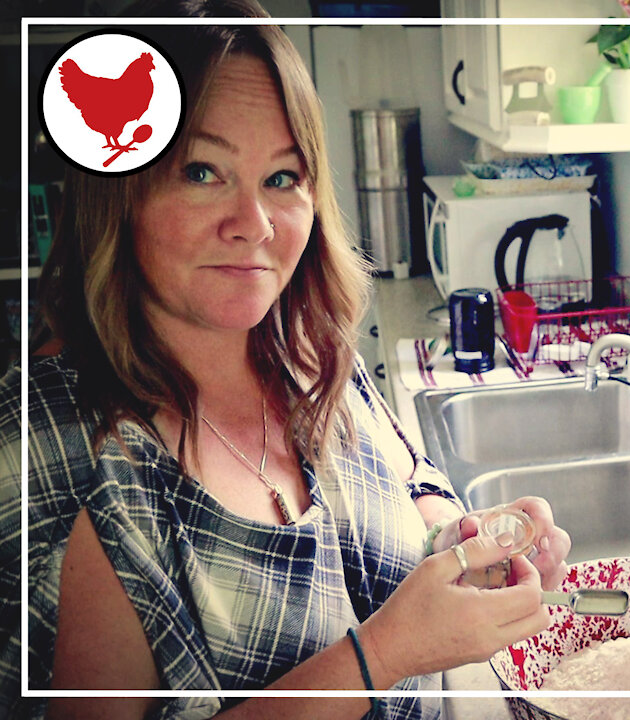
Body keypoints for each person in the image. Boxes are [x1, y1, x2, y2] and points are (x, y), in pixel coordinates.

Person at [0, 1, 571, 717]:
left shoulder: (308, 349)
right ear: (119, 188)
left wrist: (472, 546)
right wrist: (385, 655)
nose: (256, 225)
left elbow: (409, 494)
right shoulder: (55, 453)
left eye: (282, 177)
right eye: (202, 171)